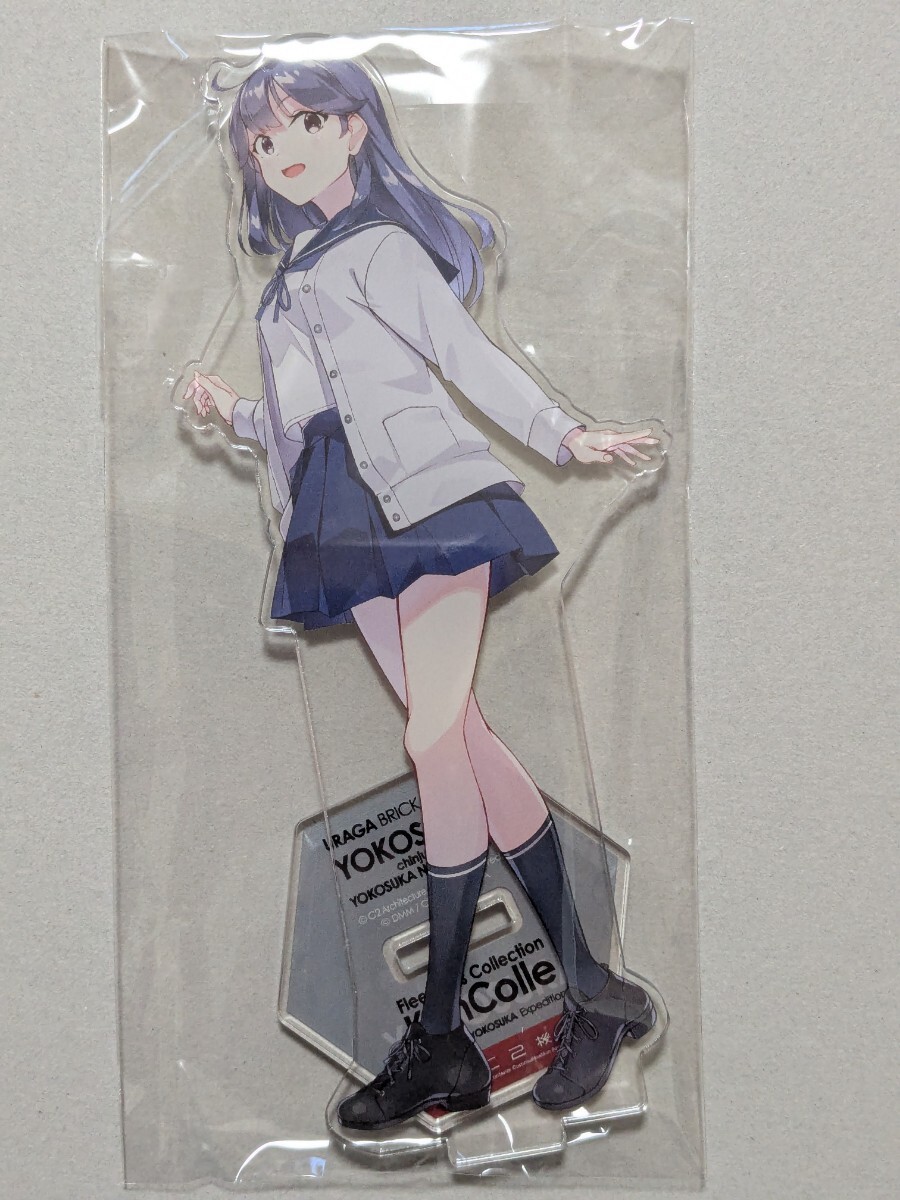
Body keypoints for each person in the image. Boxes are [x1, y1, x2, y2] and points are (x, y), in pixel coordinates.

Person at [185, 58, 658, 1130]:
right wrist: (234, 415)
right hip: (339, 512)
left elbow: (462, 355)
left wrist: (564, 434)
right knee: (464, 741)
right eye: (262, 140)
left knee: (433, 740)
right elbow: (302, 413)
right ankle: (593, 989)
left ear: (356, 128)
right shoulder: (285, 284)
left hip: (434, 499)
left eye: (303, 124)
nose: (281, 150)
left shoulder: (384, 249)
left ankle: (444, 1034)